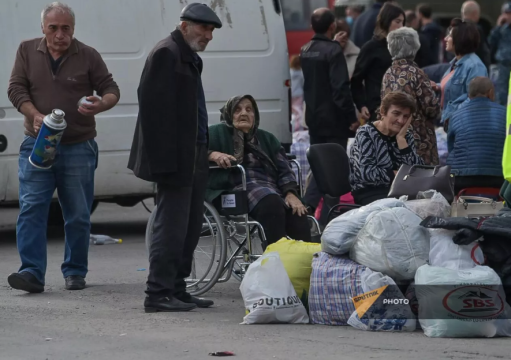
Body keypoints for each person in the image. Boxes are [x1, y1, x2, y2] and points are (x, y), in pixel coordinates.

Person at [6, 2, 120, 293]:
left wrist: (100, 104)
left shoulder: (88, 55)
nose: (60, 35)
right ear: (43, 28)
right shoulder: (26, 50)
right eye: (53, 28)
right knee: (31, 209)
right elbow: (16, 89)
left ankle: (75, 272)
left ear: (73, 29)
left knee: (78, 214)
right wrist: (34, 115)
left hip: (78, 146)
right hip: (37, 144)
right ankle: (31, 272)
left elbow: (111, 89)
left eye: (65, 28)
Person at [128, 3, 222, 313]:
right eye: (203, 28)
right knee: (171, 226)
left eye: (210, 31)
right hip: (174, 158)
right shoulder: (167, 52)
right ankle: (157, 293)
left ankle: (178, 288)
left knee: (191, 225)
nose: (208, 35)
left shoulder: (188, 56)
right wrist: (165, 164)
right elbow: (153, 113)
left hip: (193, 154)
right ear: (184, 26)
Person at [206, 95, 311, 245]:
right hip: (234, 189)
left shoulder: (267, 138)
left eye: (249, 109)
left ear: (255, 115)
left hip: (271, 189)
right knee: (271, 204)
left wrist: (290, 193)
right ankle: (275, 260)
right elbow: (194, 150)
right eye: (237, 110)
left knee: (298, 212)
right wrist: (212, 154)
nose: (244, 113)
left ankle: (303, 263)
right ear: (229, 114)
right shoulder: (216, 133)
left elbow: (284, 170)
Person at [300, 8, 358, 221]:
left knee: (318, 165)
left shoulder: (305, 49)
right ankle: (326, 218)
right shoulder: (333, 52)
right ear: (332, 25)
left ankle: (308, 205)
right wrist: (352, 117)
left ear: (312, 26)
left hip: (314, 119)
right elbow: (340, 88)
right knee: (333, 171)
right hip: (334, 121)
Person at [349, 92, 424, 206]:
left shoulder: (405, 136)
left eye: (405, 116)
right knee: (402, 209)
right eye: (396, 114)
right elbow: (365, 173)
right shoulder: (366, 133)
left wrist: (401, 141)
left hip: (400, 191)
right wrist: (396, 174)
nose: (401, 121)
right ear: (383, 111)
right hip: (370, 192)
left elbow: (416, 172)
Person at [383, 27, 441, 165]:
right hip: (419, 140)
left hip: (394, 137)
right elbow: (432, 109)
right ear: (414, 47)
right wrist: (434, 92)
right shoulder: (416, 73)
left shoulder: (388, 74)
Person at [447, 77, 506, 194]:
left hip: (462, 179)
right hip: (498, 179)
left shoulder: (455, 116)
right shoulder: (505, 113)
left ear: (469, 95)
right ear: (490, 92)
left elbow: (451, 148)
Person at [351, 2, 405, 123]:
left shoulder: (402, 48)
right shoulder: (371, 48)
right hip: (377, 110)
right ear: (387, 21)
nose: (401, 26)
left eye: (403, 22)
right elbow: (356, 80)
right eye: (397, 21)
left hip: (401, 110)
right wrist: (361, 105)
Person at [440, 18, 488, 125]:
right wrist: (437, 86)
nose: (445, 39)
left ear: (460, 39)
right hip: (454, 124)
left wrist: (451, 115)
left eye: (450, 36)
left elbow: (475, 99)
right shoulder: (455, 63)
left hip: (464, 125)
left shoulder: (475, 66)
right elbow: (454, 89)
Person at [489, 1, 511, 106]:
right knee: (501, 95)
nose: (507, 16)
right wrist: (497, 27)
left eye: (509, 13)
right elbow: (491, 42)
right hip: (503, 65)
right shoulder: (502, 28)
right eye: (506, 13)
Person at [461, 1, 491, 71]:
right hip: (476, 70)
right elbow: (484, 53)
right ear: (475, 13)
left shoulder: (453, 29)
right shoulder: (477, 30)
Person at [290, 55, 306, 133]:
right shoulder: (301, 73)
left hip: (291, 94)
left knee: (292, 112)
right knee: (299, 112)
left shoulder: (290, 72)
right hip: (299, 94)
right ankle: (298, 129)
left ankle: (292, 128)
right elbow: (303, 83)